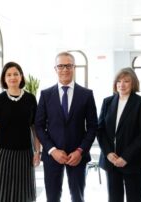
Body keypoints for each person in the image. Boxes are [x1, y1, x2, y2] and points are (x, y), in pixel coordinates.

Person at [35, 52, 98, 202]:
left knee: (77, 197)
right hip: (53, 156)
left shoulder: (86, 95)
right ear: (55, 69)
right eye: (61, 66)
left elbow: (93, 126)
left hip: (77, 156)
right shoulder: (45, 94)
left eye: (68, 66)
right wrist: (52, 150)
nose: (65, 69)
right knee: (52, 197)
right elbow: (39, 126)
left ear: (74, 67)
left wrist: (80, 151)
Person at [0, 62, 41, 202]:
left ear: (21, 77)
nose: (13, 77)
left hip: (25, 154)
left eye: (16, 74)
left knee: (23, 194)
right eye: (9, 75)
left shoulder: (30, 99)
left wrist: (37, 152)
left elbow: (35, 128)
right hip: (2, 154)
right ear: (4, 79)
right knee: (2, 195)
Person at [97, 67, 141, 202]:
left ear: (133, 83)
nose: (122, 84)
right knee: (114, 198)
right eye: (119, 81)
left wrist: (126, 157)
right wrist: (108, 153)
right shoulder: (107, 102)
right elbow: (100, 129)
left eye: (126, 81)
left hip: (133, 161)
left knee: (136, 198)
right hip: (112, 161)